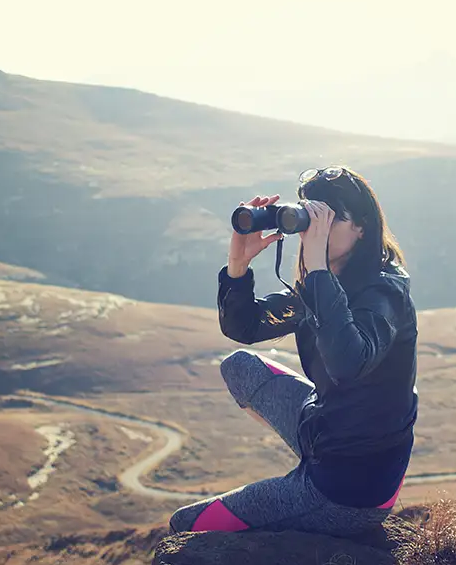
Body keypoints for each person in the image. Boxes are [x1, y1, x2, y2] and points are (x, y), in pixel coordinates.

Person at [168, 165, 419, 538]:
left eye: (330, 221)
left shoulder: (383, 294)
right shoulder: (327, 282)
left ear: (362, 228)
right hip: (327, 428)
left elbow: (348, 364)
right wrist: (238, 266)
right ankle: (308, 466)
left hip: (351, 488)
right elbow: (246, 328)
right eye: (310, 219)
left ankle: (306, 490)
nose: (313, 232)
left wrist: (317, 267)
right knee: (239, 367)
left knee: (186, 526)